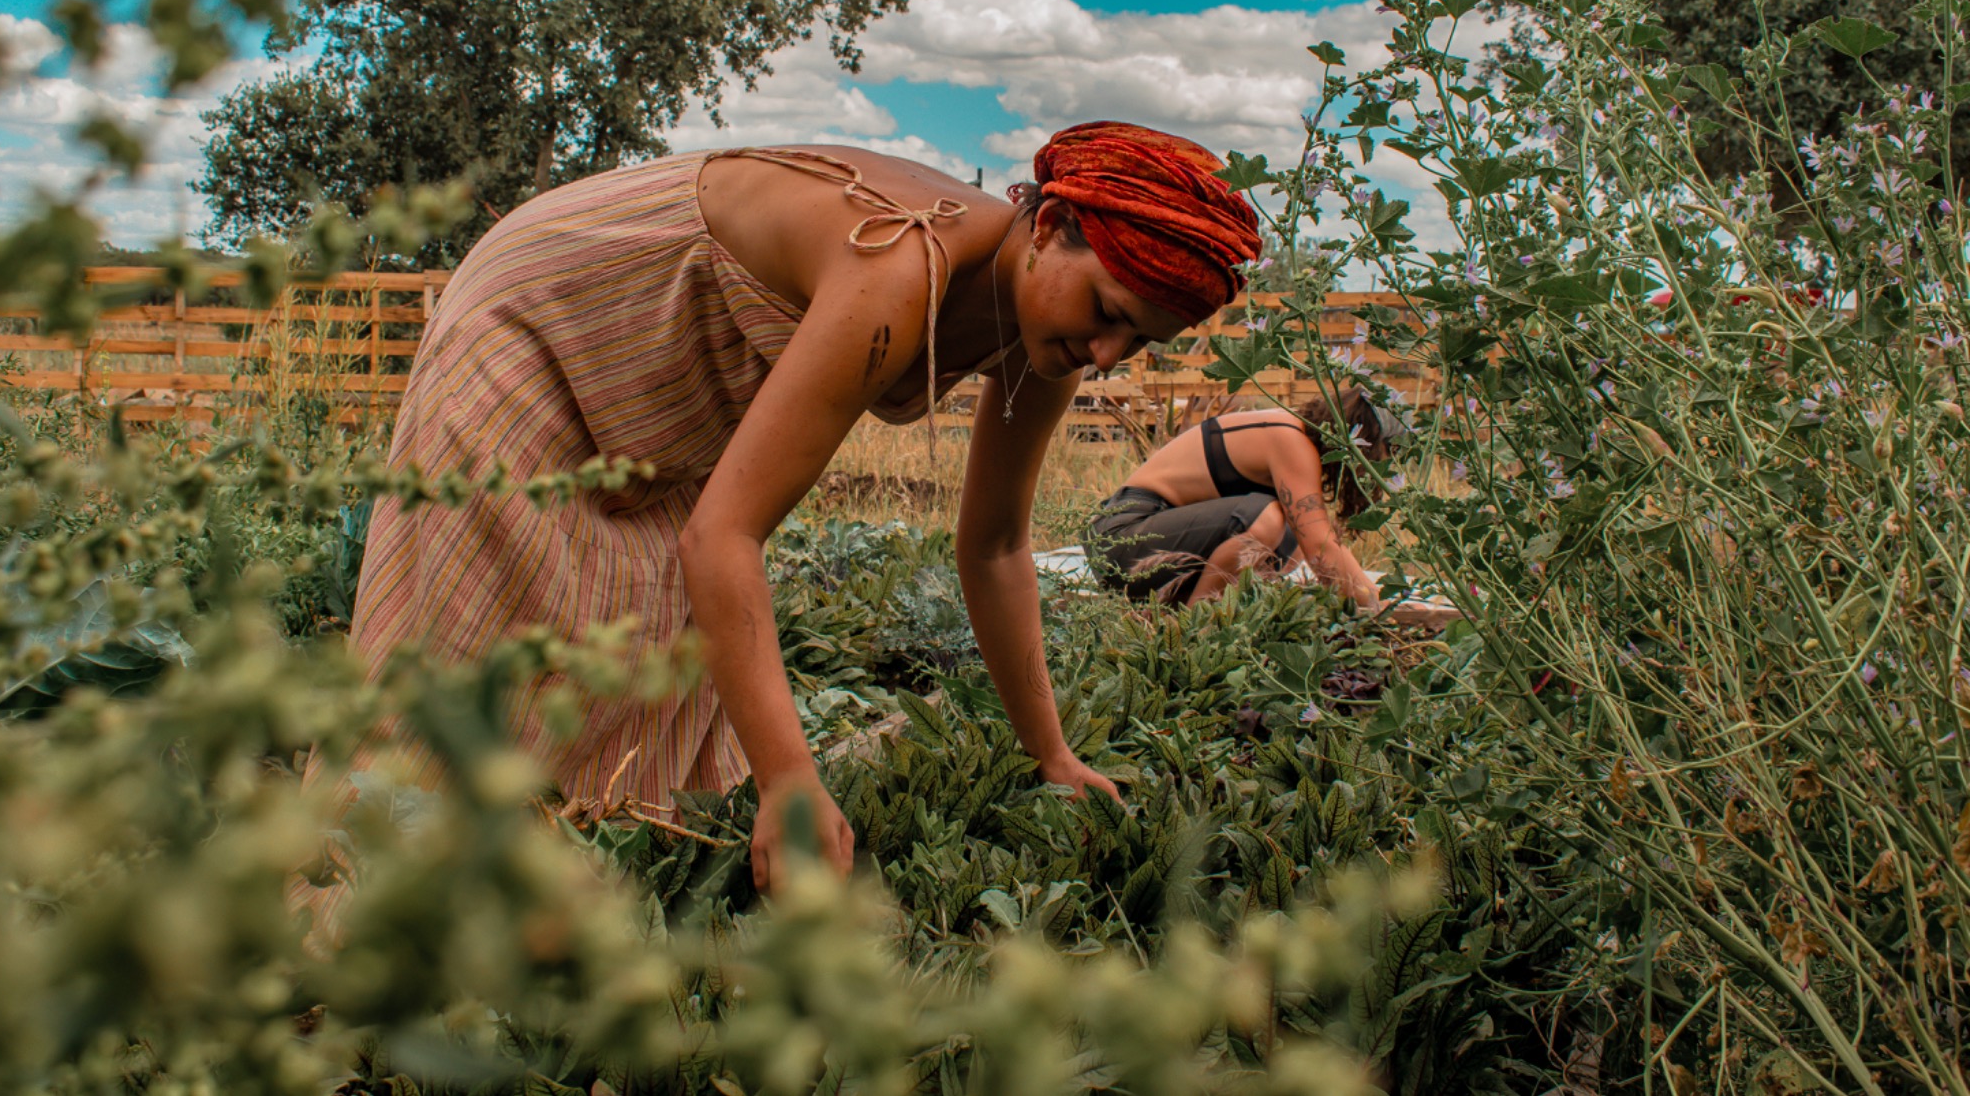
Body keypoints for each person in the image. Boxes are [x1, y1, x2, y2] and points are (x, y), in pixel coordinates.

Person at [339, 121, 1262, 894]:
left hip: (660, 400)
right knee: (500, 630)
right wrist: (789, 781)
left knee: (645, 649)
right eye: (1107, 309)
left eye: (1137, 339)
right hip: (543, 312)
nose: (1105, 354)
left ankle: (557, 883)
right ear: (1051, 221)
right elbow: (725, 536)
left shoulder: (1046, 336)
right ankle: (380, 898)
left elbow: (995, 545)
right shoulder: (900, 264)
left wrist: (1053, 754)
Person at [1089, 389, 1413, 606]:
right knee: (1267, 519)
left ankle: (1204, 614)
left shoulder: (1297, 441)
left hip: (1156, 545)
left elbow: (1312, 546)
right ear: (1365, 440)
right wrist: (1373, 606)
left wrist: (1360, 597)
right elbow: (1322, 547)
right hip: (1120, 539)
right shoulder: (1290, 438)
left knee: (1289, 541)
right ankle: (1194, 631)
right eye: (1389, 452)